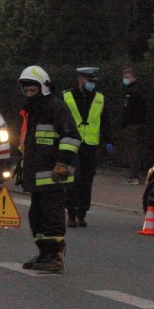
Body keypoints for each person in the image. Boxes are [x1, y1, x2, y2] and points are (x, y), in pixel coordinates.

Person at [16, 66, 81, 273]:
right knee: (37, 217)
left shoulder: (56, 107)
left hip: (53, 175)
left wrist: (62, 163)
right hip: (37, 175)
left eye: (32, 90)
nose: (28, 94)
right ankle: (44, 253)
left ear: (43, 87)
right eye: (26, 90)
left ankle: (55, 257)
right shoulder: (33, 110)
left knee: (52, 216)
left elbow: (71, 137)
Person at [62, 67, 113, 228]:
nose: (92, 84)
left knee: (86, 181)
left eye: (93, 82)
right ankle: (71, 213)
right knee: (73, 179)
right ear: (81, 79)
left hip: (91, 145)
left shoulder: (99, 98)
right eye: (89, 81)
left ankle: (82, 214)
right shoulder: (67, 96)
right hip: (72, 144)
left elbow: (105, 121)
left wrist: (108, 141)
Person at [120, 67, 147, 185]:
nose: (125, 80)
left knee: (132, 151)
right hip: (139, 123)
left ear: (133, 77)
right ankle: (136, 174)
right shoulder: (139, 89)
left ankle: (134, 176)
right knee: (136, 149)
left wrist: (124, 122)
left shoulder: (132, 91)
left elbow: (128, 110)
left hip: (132, 124)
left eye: (127, 77)